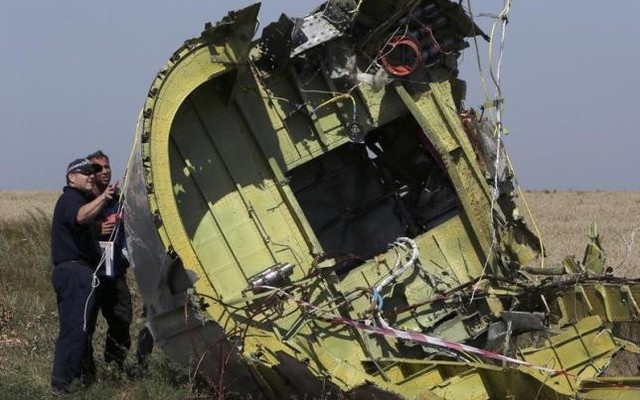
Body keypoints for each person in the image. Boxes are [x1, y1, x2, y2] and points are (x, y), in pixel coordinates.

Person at [51, 158, 115, 393]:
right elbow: (79, 216)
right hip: (75, 272)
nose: (91, 175)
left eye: (93, 172)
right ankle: (64, 383)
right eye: (85, 172)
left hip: (76, 272)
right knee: (77, 328)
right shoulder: (70, 199)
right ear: (71, 178)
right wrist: (105, 197)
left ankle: (71, 379)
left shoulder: (79, 200)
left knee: (76, 327)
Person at [87, 150, 133, 370]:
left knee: (122, 320)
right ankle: (86, 371)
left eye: (107, 167)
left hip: (114, 272)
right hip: (91, 273)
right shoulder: (84, 201)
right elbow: (72, 228)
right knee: (86, 324)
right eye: (98, 168)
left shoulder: (118, 200)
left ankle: (115, 367)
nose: (104, 171)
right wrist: (97, 229)